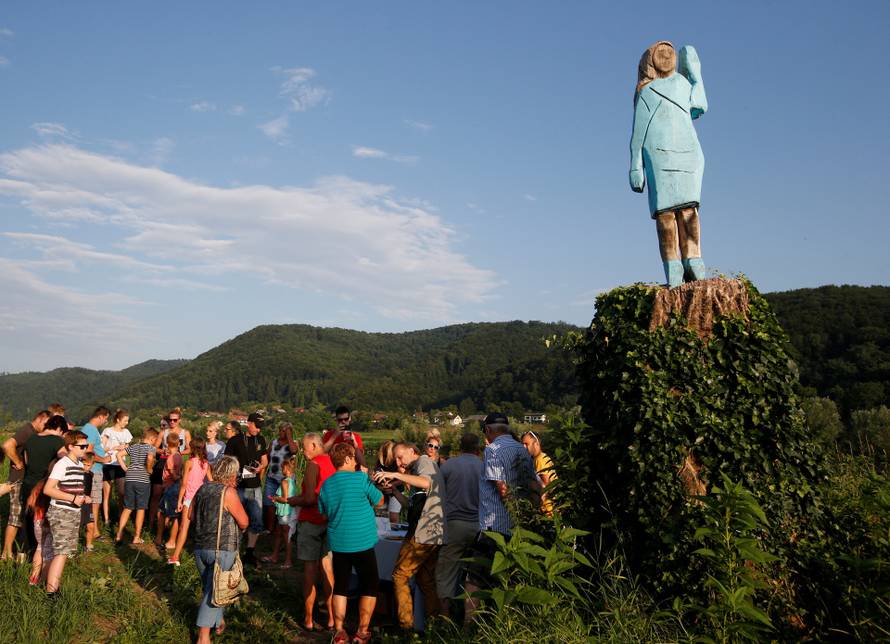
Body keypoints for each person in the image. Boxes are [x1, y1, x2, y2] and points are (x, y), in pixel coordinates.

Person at [465, 413, 539, 622]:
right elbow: (533, 486)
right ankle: (509, 622)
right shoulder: (521, 450)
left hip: (493, 526)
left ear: (488, 431)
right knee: (510, 579)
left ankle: (468, 626)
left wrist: (511, 509)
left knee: (474, 578)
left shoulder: (493, 450)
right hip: (518, 528)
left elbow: (502, 488)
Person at [373, 442, 445, 631]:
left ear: (412, 451)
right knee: (424, 579)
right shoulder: (416, 470)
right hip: (433, 531)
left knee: (399, 575)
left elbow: (427, 483)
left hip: (424, 531)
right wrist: (395, 491)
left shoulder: (423, 462)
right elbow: (410, 505)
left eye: (399, 456)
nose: (398, 462)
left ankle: (406, 626)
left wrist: (395, 475)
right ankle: (433, 626)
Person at [318, 443, 384, 644]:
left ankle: (339, 631)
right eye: (354, 457)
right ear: (346, 460)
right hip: (363, 542)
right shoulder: (361, 479)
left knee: (341, 587)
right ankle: (362, 631)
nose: (356, 461)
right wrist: (368, 480)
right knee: (370, 586)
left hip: (339, 543)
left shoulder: (327, 485)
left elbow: (323, 512)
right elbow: (380, 501)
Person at [189, 456, 249, 644]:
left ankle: (217, 620)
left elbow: (190, 514)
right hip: (222, 549)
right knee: (213, 591)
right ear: (231, 474)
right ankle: (203, 637)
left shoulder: (202, 489)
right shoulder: (228, 492)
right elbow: (244, 521)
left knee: (212, 587)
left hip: (200, 548)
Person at [287, 432, 336, 632]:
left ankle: (308, 618)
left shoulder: (313, 465)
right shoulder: (333, 463)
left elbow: (308, 498)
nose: (303, 452)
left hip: (311, 521)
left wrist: (291, 500)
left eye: (305, 448)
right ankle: (332, 618)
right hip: (329, 521)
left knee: (309, 569)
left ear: (315, 445)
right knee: (327, 568)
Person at [435, 432, 483, 614]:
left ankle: (445, 618)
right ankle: (469, 621)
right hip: (478, 526)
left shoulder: (449, 466)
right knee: (474, 575)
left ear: (460, 447)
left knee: (446, 572)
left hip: (454, 524)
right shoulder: (483, 466)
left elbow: (437, 494)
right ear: (478, 449)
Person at [42, 430, 91, 596]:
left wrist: (83, 497)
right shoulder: (62, 464)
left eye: (86, 445)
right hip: (62, 512)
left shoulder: (77, 464)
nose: (85, 449)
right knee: (61, 552)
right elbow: (48, 489)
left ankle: (45, 582)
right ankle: (52, 592)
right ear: (70, 446)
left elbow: (70, 487)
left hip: (71, 512)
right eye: (82, 446)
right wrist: (72, 498)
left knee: (63, 551)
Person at [2, 409, 51, 560]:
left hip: (24, 481)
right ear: (40, 419)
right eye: (46, 424)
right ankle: (6, 553)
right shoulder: (27, 430)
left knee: (22, 517)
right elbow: (7, 445)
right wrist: (18, 462)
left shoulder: (32, 433)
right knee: (15, 518)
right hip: (18, 480)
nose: (47, 428)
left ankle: (19, 551)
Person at [224, 412, 268, 566]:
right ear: (248, 423)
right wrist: (230, 480)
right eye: (256, 426)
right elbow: (227, 461)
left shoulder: (261, 439)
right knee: (235, 520)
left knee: (256, 521)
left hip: (255, 486)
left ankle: (250, 552)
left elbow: (264, 460)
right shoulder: (235, 440)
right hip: (238, 487)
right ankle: (233, 551)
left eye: (260, 427)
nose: (258, 430)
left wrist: (260, 467)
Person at [20, 415, 67, 556]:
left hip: (28, 483)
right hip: (43, 486)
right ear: (59, 429)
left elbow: (27, 461)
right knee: (43, 521)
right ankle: (43, 554)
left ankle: (25, 552)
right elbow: (64, 457)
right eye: (62, 432)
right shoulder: (57, 441)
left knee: (28, 520)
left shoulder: (32, 439)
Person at [168, 438, 212, 565]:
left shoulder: (189, 462)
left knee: (183, 527)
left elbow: (184, 483)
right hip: (201, 498)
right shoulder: (206, 463)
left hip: (189, 498)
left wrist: (179, 501)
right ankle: (204, 557)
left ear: (194, 449)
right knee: (202, 528)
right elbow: (211, 480)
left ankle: (175, 557)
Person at [115, 428, 158, 544]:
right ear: (152, 439)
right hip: (142, 480)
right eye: (155, 440)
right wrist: (149, 469)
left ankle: (119, 535)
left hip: (129, 479)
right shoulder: (151, 448)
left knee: (128, 507)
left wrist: (125, 468)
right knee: (141, 508)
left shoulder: (134, 446)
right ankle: (137, 537)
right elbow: (149, 458)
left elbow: (119, 454)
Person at [81, 406, 112, 541]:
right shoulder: (91, 429)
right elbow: (88, 452)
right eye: (106, 419)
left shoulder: (89, 429)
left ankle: (93, 530)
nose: (105, 422)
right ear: (101, 416)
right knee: (95, 501)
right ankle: (94, 532)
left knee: (94, 501)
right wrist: (104, 459)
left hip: (95, 469)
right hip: (93, 470)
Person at [101, 409, 133, 527]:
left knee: (121, 493)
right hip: (108, 465)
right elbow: (101, 448)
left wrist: (124, 448)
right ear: (118, 420)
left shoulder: (127, 432)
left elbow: (128, 449)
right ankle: (106, 520)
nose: (126, 423)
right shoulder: (107, 431)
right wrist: (114, 447)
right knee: (107, 494)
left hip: (120, 465)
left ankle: (121, 519)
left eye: (127, 421)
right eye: (125, 420)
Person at [264, 422, 297, 532]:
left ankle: (285, 528)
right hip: (272, 478)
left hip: (286, 480)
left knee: (285, 503)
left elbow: (294, 451)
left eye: (285, 430)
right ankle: (270, 529)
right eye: (281, 430)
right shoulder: (273, 442)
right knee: (269, 504)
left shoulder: (293, 443)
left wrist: (289, 436)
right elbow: (267, 458)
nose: (282, 432)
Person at [264, 456, 297, 568]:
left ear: (286, 469)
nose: (281, 471)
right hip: (285, 512)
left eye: (282, 468)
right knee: (279, 533)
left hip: (285, 512)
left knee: (286, 535)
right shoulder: (292, 480)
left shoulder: (284, 482)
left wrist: (275, 498)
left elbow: (285, 499)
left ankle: (288, 561)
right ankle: (275, 555)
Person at [155, 433, 183, 550]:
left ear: (167, 443)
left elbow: (173, 474)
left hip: (171, 488)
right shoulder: (179, 456)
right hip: (173, 487)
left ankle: (168, 539)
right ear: (178, 444)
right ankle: (161, 537)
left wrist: (177, 477)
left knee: (170, 514)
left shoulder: (171, 458)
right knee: (168, 513)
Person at [521, 430, 558, 516]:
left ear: (536, 443)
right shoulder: (541, 457)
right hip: (551, 508)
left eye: (526, 444)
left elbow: (545, 486)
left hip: (548, 510)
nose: (523, 447)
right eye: (522, 444)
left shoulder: (540, 460)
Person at [26, 480, 51, 587]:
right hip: (48, 523)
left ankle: (34, 577)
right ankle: (43, 580)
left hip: (37, 521)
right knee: (49, 552)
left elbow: (30, 503)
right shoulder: (51, 487)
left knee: (39, 548)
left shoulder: (37, 487)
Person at [373, 440, 402, 524]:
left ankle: (394, 534)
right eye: (384, 453)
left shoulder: (397, 462)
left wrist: (391, 485)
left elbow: (402, 479)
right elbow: (376, 481)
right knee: (380, 515)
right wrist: (382, 486)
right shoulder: (380, 462)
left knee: (393, 517)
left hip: (396, 491)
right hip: (382, 491)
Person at [148, 429, 168, 532]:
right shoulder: (162, 433)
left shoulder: (184, 432)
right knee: (155, 496)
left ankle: (165, 526)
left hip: (172, 465)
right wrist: (163, 451)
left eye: (175, 420)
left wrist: (178, 452)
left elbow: (189, 448)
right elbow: (153, 448)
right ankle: (151, 524)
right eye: (161, 425)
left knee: (168, 498)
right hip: (160, 464)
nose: (162, 427)